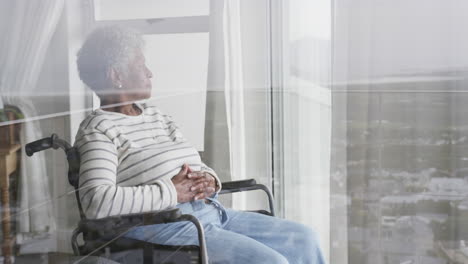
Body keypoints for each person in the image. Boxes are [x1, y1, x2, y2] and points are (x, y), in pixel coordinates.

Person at [75, 26, 325, 264]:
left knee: (305, 239)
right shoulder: (99, 129)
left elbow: (193, 163)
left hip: (210, 212)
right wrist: (172, 191)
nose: (150, 73)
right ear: (115, 75)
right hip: (165, 225)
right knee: (272, 262)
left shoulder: (156, 116)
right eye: (141, 65)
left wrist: (210, 180)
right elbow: (96, 201)